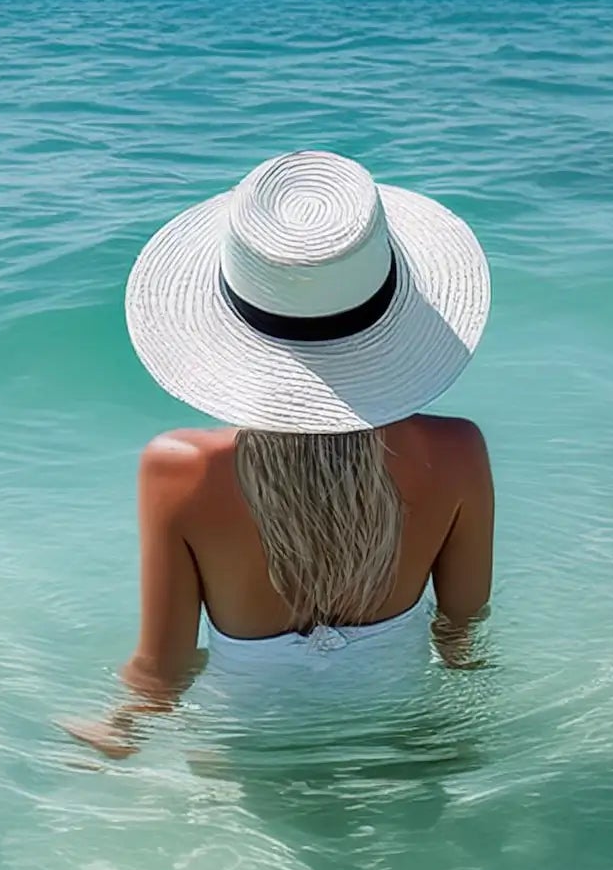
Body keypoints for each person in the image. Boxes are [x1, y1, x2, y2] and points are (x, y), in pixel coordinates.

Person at [63, 150, 494, 757]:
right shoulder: (457, 451)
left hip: (249, 736)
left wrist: (121, 725)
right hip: (399, 721)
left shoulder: (179, 469)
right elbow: (460, 631)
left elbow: (164, 669)